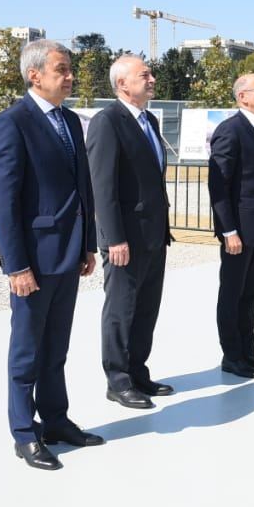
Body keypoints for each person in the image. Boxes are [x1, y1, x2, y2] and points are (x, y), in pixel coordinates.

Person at [0, 39, 102, 471]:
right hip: (33, 259)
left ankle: (56, 421)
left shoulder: (71, 121)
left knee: (56, 348)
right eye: (62, 69)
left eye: (70, 69)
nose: (70, 76)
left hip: (69, 254)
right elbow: (5, 201)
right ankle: (25, 432)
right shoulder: (11, 123)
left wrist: (88, 243)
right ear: (34, 74)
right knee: (27, 350)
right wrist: (16, 265)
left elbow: (81, 188)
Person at [86, 55, 173, 410]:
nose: (152, 79)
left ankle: (138, 371)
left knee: (147, 308)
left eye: (150, 74)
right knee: (121, 309)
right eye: (144, 74)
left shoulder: (148, 119)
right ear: (122, 83)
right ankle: (118, 380)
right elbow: (102, 186)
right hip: (126, 238)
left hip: (153, 234)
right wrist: (114, 237)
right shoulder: (108, 122)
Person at [207, 73, 254, 379]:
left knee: (251, 293)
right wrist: (228, 230)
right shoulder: (231, 131)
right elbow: (219, 185)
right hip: (238, 230)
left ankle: (249, 350)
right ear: (242, 97)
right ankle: (232, 355)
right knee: (232, 294)